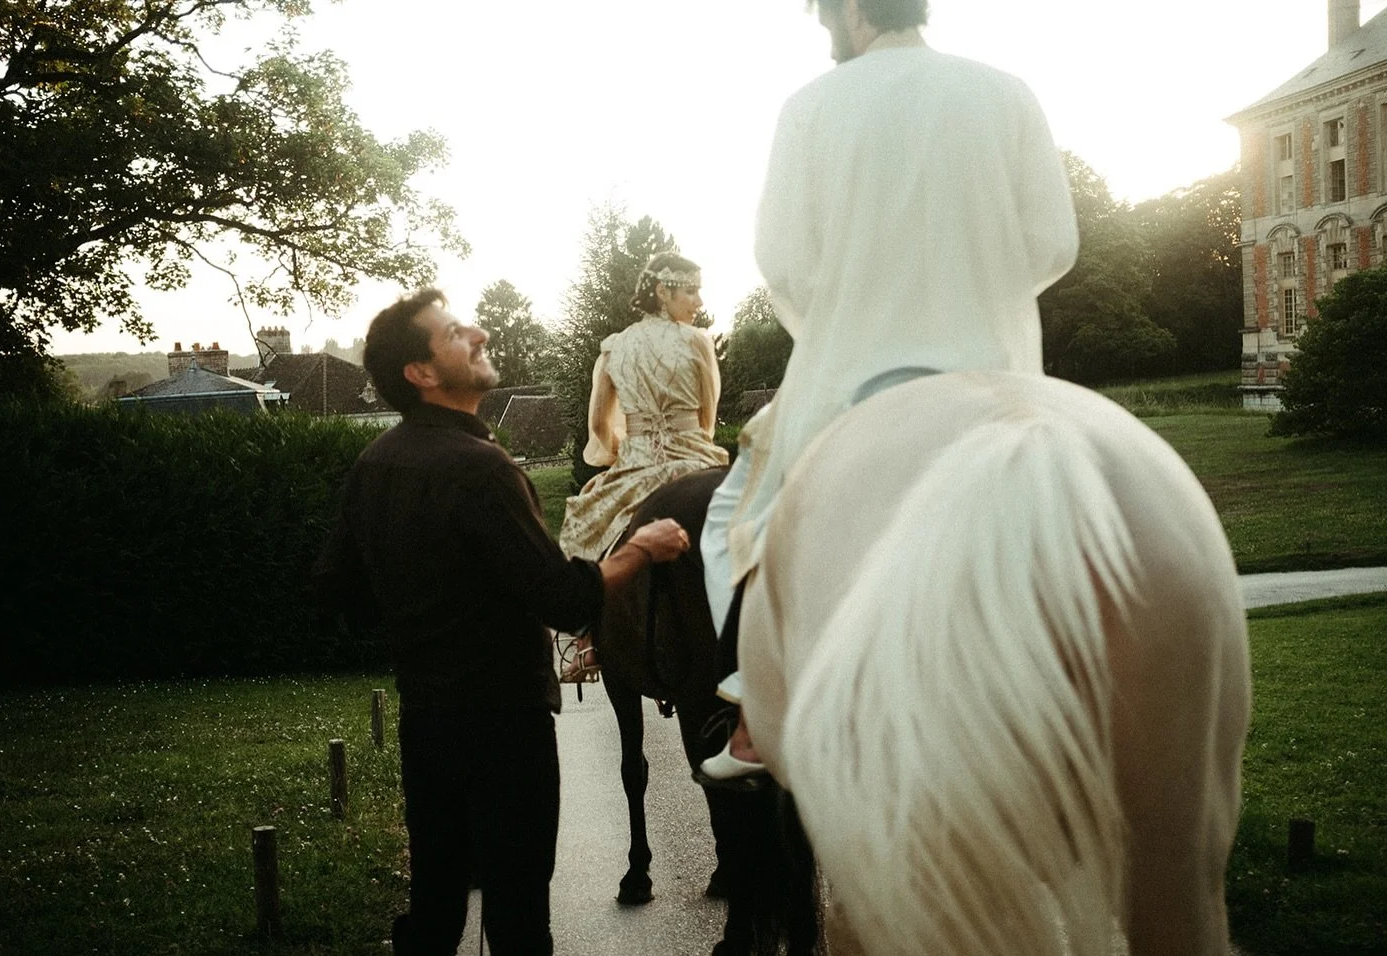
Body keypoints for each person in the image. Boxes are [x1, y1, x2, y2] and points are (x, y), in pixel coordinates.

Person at [698, 0, 1079, 782]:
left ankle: (758, 711)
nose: (820, 28)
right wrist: (979, 293)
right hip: (998, 375)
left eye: (821, 12)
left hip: (853, 381)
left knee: (731, 516)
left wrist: (847, 316)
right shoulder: (1006, 91)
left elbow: (787, 265)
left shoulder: (809, 106)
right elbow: (1054, 245)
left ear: (847, 10)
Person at [313, 288, 691, 956]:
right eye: (456, 333)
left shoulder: (376, 463)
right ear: (421, 374)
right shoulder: (481, 468)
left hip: (426, 721)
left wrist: (426, 622)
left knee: (434, 911)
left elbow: (343, 594)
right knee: (518, 917)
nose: (480, 333)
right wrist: (640, 547)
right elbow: (565, 599)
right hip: (505, 730)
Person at [555, 251, 730, 682]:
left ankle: (588, 641)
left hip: (637, 463)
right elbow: (707, 417)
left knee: (583, 525)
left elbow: (598, 424)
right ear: (662, 291)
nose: (699, 302)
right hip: (696, 457)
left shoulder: (614, 348)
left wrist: (618, 455)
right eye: (691, 291)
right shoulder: (698, 342)